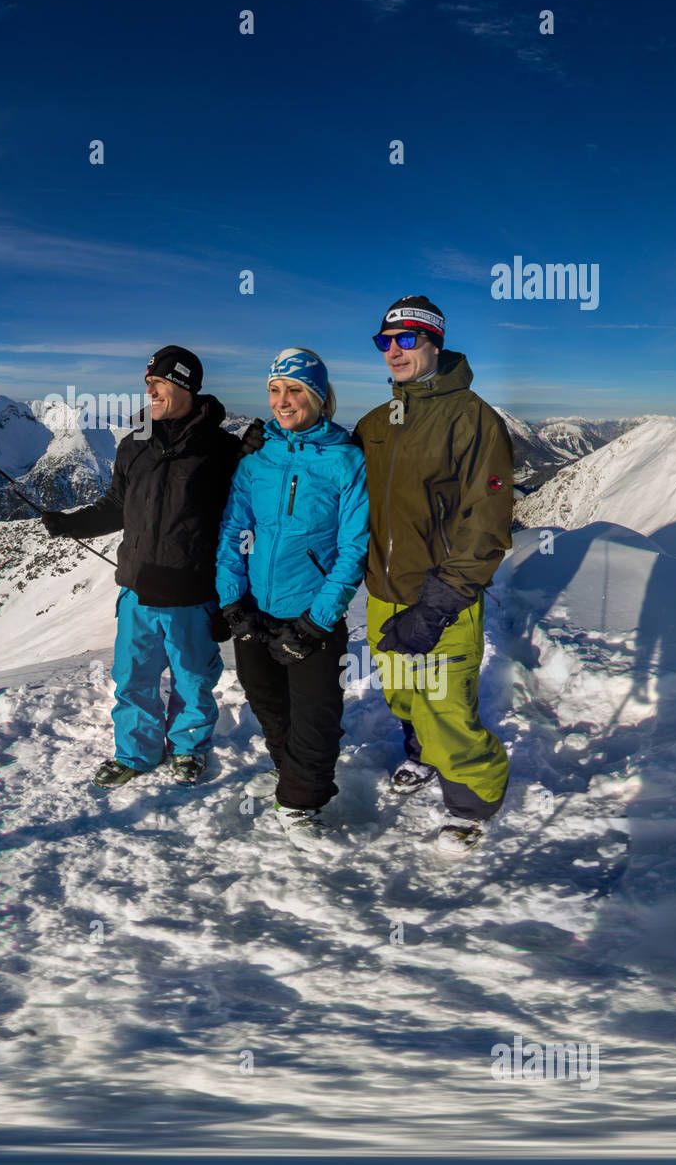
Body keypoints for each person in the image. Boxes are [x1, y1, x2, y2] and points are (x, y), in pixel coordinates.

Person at [42, 346, 244, 787]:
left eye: (159, 383)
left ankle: (189, 749)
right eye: (148, 383)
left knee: (193, 680)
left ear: (186, 386)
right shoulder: (134, 442)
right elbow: (117, 505)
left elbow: (241, 524)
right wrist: (72, 525)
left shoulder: (224, 450)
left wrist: (234, 598)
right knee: (133, 679)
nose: (149, 390)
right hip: (137, 590)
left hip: (193, 596)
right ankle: (135, 753)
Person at [353, 295, 514, 850]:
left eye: (406, 340)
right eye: (384, 341)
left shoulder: (473, 418)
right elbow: (338, 484)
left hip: (442, 594)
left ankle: (475, 797)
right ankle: (421, 754)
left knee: (444, 704)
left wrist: (441, 600)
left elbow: (486, 523)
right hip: (385, 590)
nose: (394, 351)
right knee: (401, 694)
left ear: (434, 343)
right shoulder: (376, 422)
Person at [212, 349, 370, 838]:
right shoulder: (257, 458)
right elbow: (234, 530)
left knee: (316, 715)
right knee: (266, 700)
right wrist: (234, 601)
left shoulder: (345, 460)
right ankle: (289, 772)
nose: (283, 400)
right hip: (257, 609)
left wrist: (318, 620)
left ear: (320, 397)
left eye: (296, 389)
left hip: (311, 611)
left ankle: (301, 804)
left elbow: (353, 547)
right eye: (275, 390)